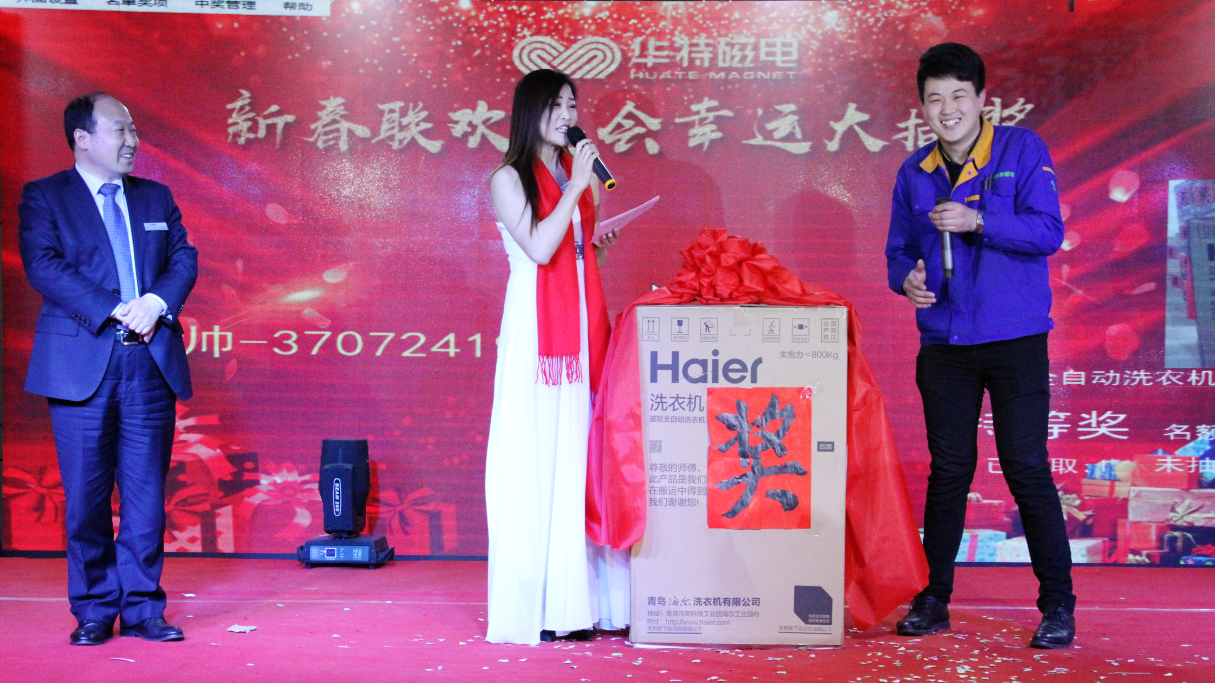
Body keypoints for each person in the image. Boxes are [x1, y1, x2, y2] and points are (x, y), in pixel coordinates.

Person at [885, 44, 1075, 649]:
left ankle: (1058, 605)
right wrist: (907, 280)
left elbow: (1048, 231)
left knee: (1026, 466)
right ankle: (933, 598)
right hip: (945, 343)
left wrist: (979, 221)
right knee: (949, 471)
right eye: (934, 98)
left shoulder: (1021, 150)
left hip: (1015, 339)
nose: (947, 109)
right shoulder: (914, 171)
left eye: (958, 96)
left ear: (981, 99)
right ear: (922, 107)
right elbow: (897, 252)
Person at [18, 93, 198, 645]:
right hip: (82, 364)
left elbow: (184, 258)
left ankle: (143, 608)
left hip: (149, 361)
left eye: (134, 130)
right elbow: (43, 265)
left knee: (146, 497)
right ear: (83, 138)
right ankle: (94, 608)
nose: (132, 141)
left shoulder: (155, 196)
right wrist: (116, 308)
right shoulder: (46, 196)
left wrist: (155, 303)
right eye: (120, 129)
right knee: (86, 498)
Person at [483, 68, 629, 645]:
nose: (569, 116)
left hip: (581, 321)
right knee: (541, 450)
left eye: (572, 105)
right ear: (531, 112)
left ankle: (585, 601)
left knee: (579, 450)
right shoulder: (507, 178)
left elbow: (573, 253)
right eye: (557, 106)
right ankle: (543, 602)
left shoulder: (575, 175)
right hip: (538, 334)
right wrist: (577, 189)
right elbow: (541, 249)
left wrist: (597, 246)